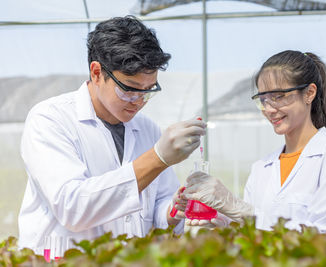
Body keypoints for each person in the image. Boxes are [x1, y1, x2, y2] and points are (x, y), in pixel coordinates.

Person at [18, 15, 205, 253]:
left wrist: (173, 210)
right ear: (96, 72)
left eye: (148, 91)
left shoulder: (147, 129)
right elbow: (72, 207)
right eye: (129, 89)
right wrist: (157, 159)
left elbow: (158, 211)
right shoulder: (50, 119)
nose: (138, 101)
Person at [183, 50, 326, 235]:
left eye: (278, 97)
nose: (269, 109)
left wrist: (242, 212)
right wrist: (227, 222)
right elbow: (256, 236)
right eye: (263, 99)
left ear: (309, 93)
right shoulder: (261, 168)